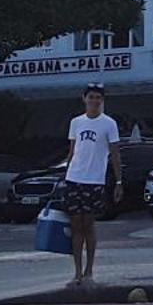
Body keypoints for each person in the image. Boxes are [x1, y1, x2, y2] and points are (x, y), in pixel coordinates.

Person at [61, 85, 121, 288]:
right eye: (91, 97)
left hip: (94, 180)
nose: (94, 101)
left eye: (98, 98)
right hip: (74, 177)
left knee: (89, 225)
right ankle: (77, 270)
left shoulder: (109, 124)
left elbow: (115, 153)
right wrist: (65, 173)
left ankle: (89, 270)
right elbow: (72, 151)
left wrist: (119, 181)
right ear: (84, 99)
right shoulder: (76, 122)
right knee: (75, 225)